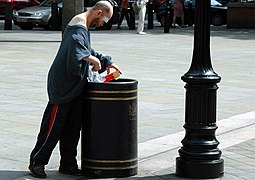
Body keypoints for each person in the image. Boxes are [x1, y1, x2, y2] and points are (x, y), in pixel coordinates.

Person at [28, 1, 121, 178]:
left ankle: (68, 163)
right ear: (99, 13)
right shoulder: (78, 25)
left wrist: (106, 60)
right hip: (63, 86)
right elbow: (77, 48)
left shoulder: (83, 26)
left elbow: (86, 49)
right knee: (52, 127)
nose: (102, 25)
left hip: (76, 86)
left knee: (72, 128)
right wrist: (92, 59)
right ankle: (37, 162)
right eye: (104, 21)